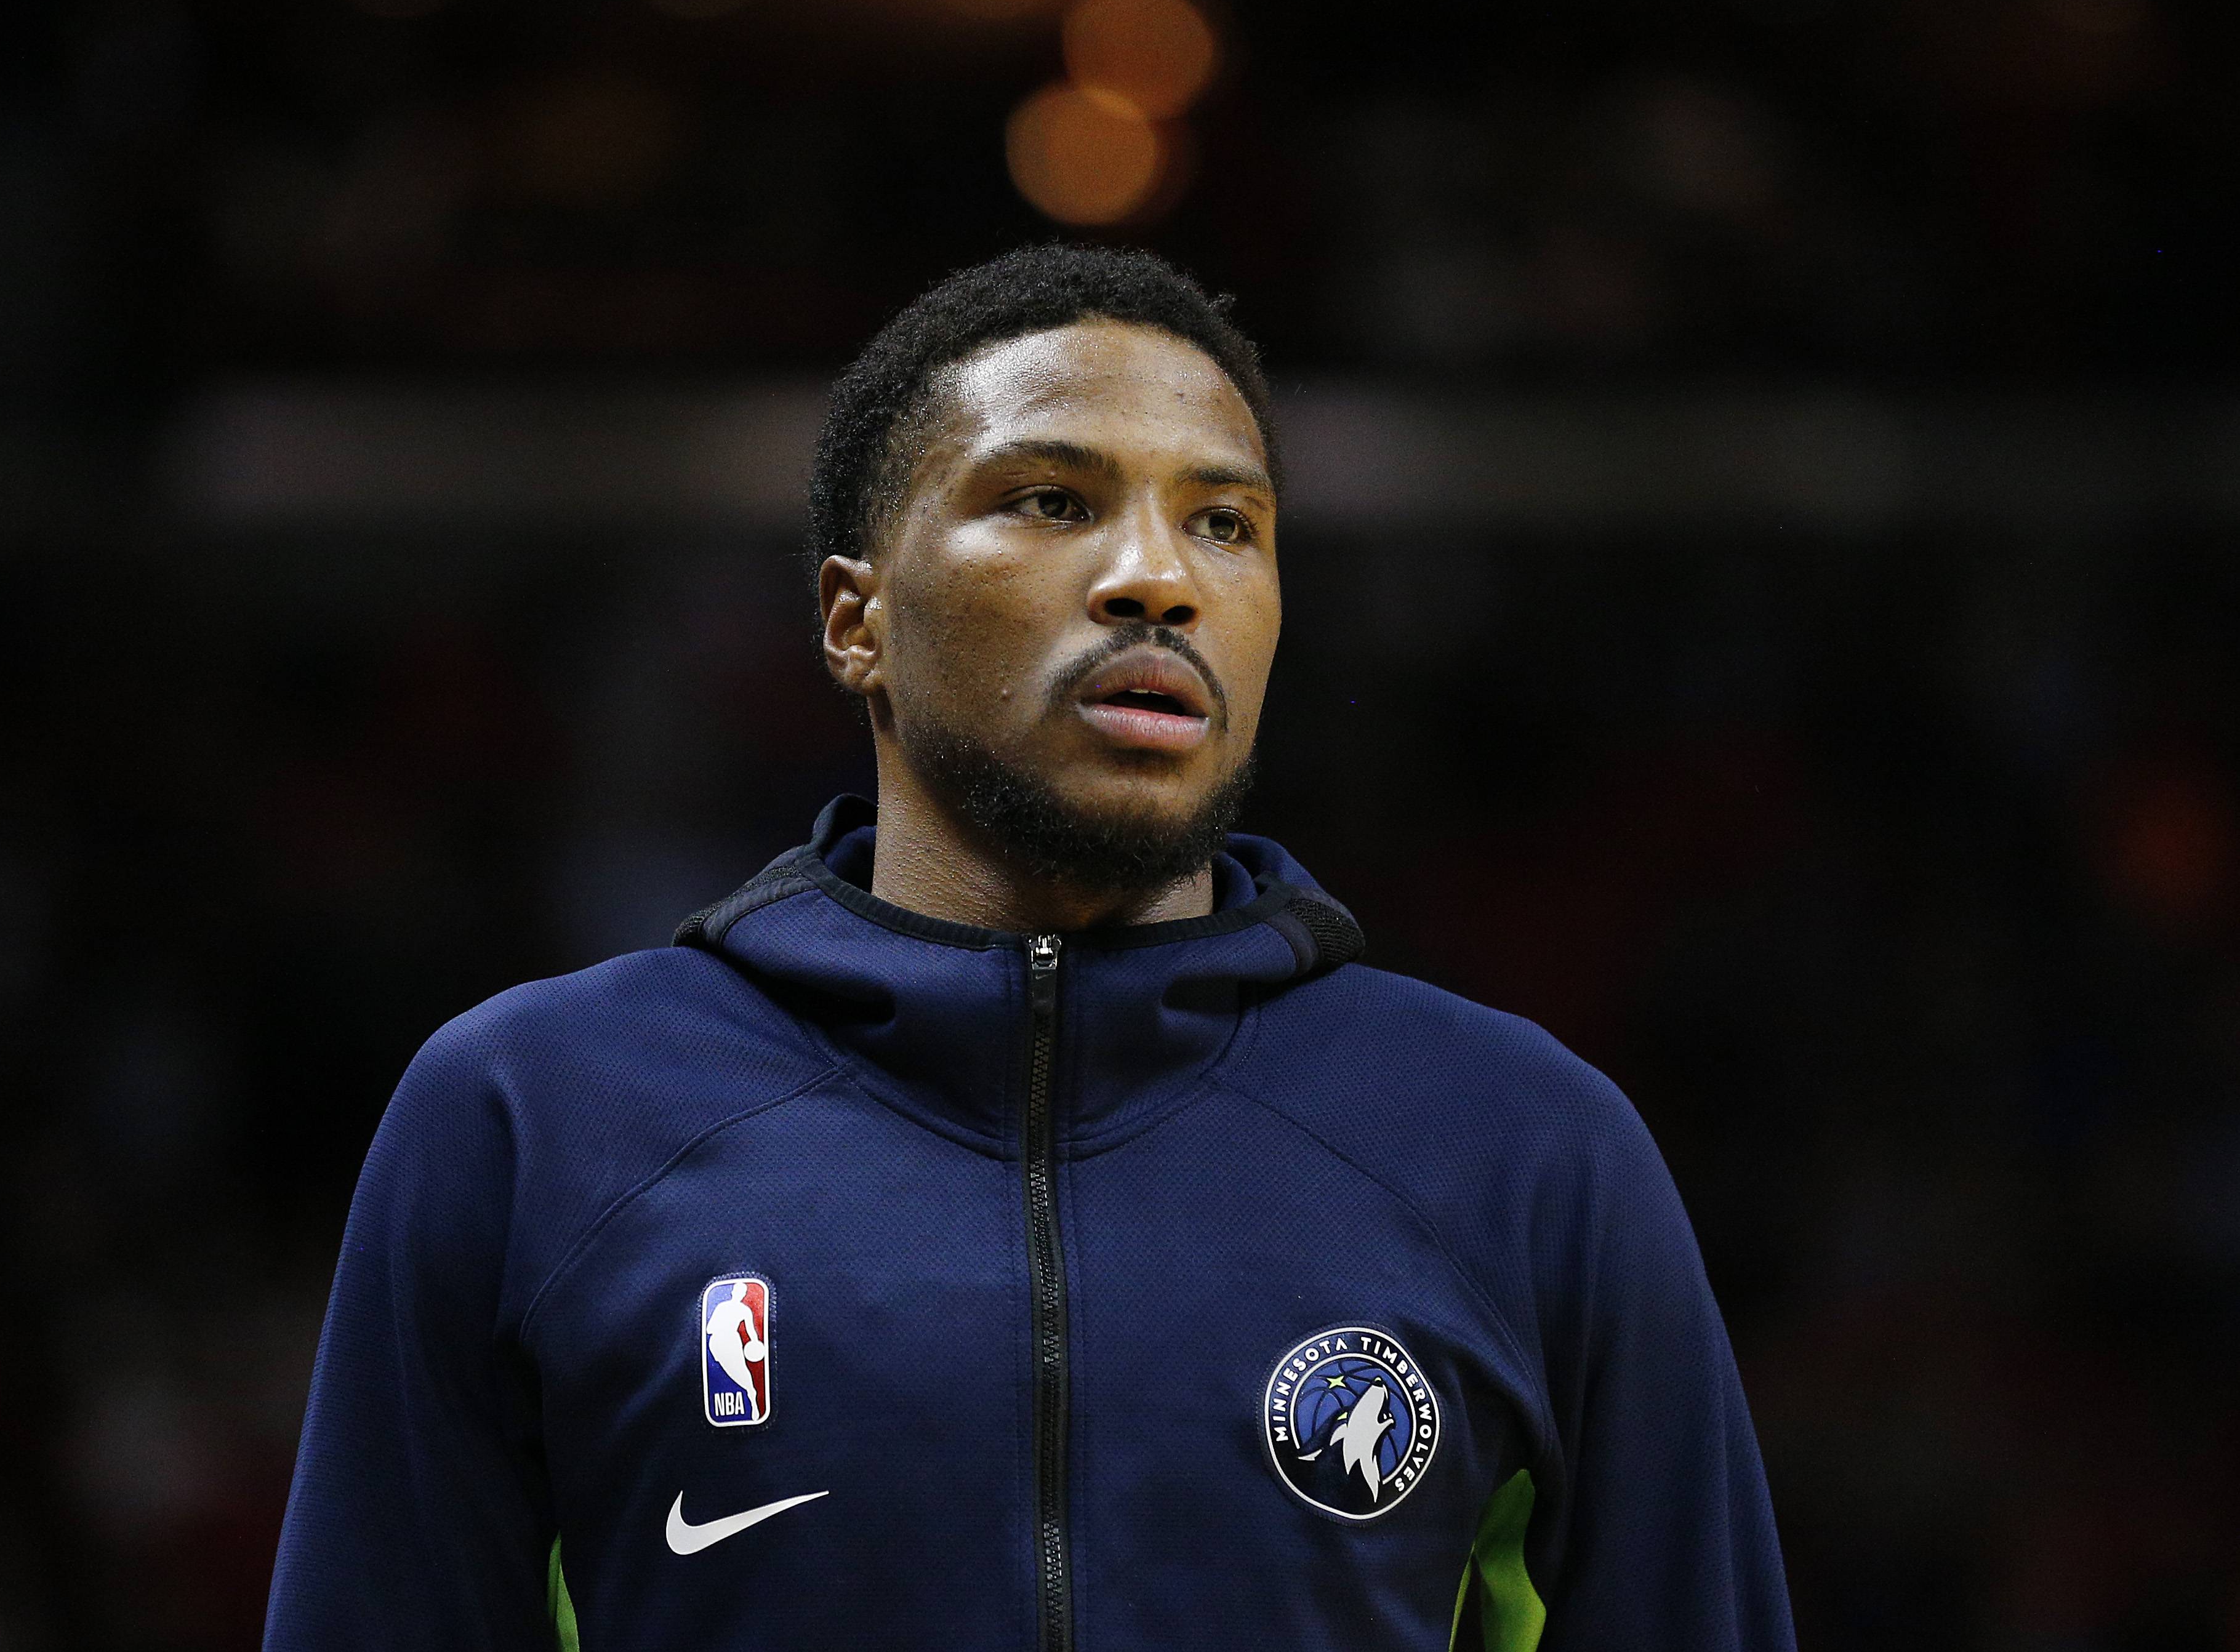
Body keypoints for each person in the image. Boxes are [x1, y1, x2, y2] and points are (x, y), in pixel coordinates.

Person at [262, 245, 1796, 1651]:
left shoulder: (1524, 1151)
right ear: (854, 619)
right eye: (1052, 501)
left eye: (1225, 522)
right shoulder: (533, 1118)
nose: (1158, 577)